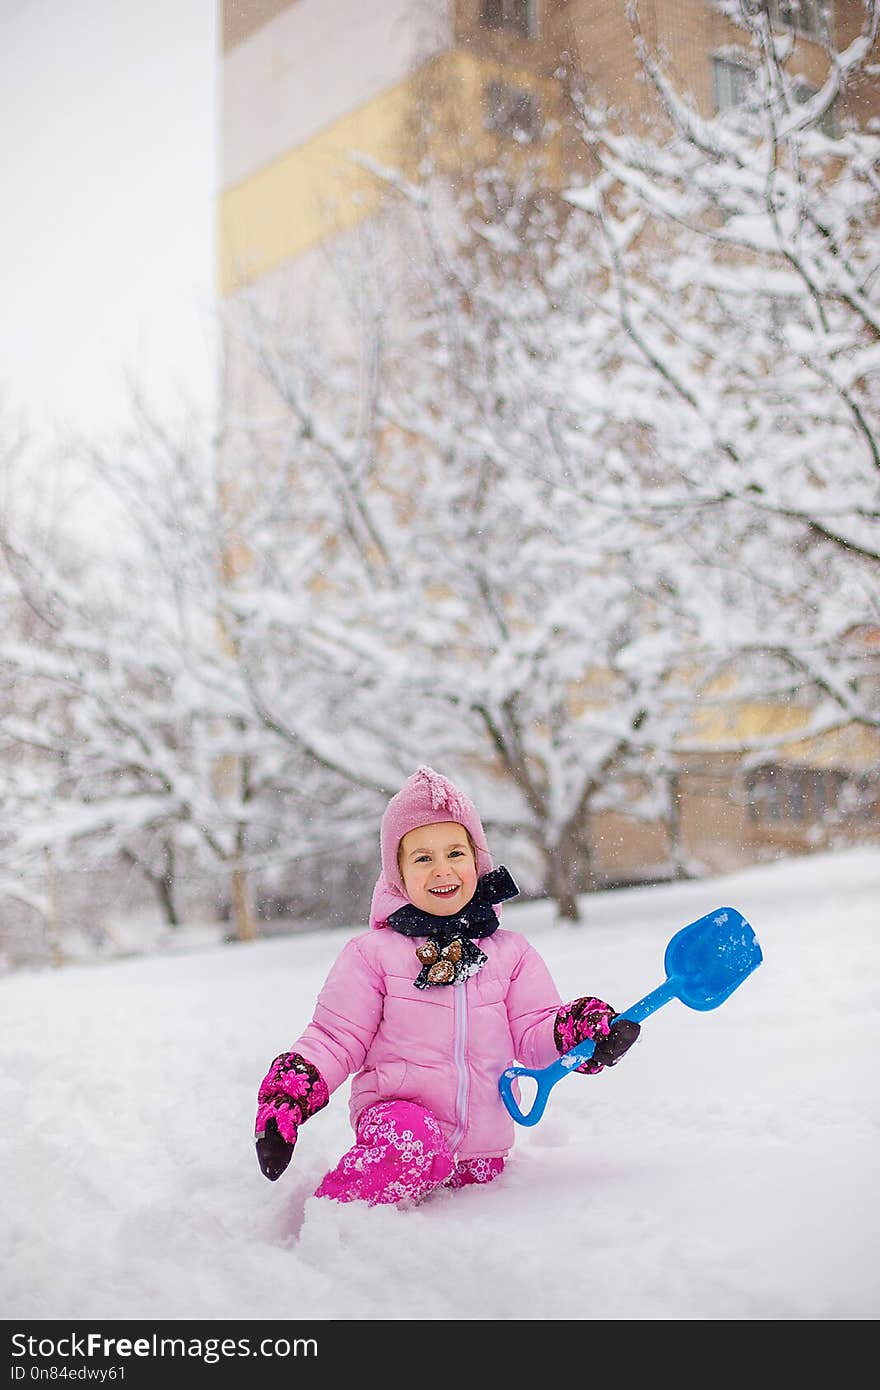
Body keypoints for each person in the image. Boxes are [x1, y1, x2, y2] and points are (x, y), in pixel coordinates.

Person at [254, 765, 640, 1205]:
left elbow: (535, 1033)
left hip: (482, 1152)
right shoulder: (373, 955)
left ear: (477, 861)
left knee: (473, 1211)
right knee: (410, 1146)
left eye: (456, 853)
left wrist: (581, 1033)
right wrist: (286, 1099)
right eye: (422, 858)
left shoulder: (511, 955)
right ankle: (337, 1220)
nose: (443, 870)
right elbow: (335, 1038)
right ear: (396, 872)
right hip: (397, 1125)